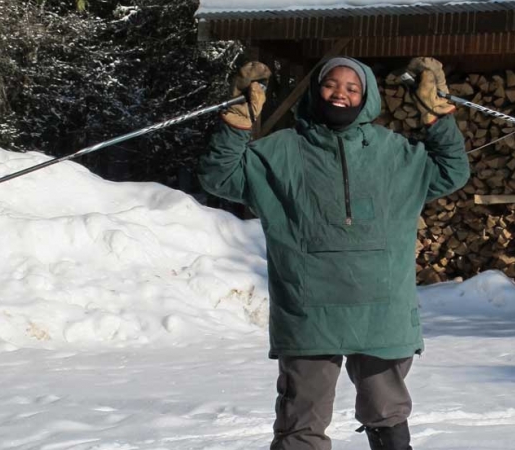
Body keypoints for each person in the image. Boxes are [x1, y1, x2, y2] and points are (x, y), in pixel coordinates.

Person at [198, 56, 469, 450]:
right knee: (301, 421)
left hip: (381, 311)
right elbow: (220, 176)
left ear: (367, 97)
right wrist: (238, 120)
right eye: (331, 84)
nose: (340, 93)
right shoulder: (280, 151)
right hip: (308, 311)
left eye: (352, 87)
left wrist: (435, 113)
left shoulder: (394, 153)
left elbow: (451, 170)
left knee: (387, 412)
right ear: (315, 90)